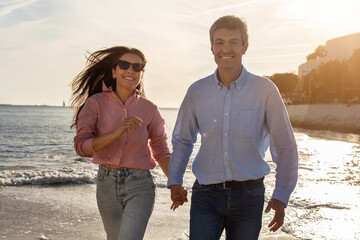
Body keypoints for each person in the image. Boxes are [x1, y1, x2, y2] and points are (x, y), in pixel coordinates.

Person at [168, 15, 298, 240]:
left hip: (249, 197)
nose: (225, 49)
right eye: (219, 42)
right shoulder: (196, 92)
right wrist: (175, 180)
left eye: (233, 42)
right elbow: (183, 140)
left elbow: (284, 146)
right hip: (206, 195)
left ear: (245, 47)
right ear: (211, 48)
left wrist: (282, 194)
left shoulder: (265, 90)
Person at [71, 46, 171, 240]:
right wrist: (116, 133)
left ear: (142, 73)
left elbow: (161, 149)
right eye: (124, 65)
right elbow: (81, 147)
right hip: (106, 184)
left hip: (140, 183)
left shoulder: (150, 109)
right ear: (114, 71)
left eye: (137, 67)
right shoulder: (95, 103)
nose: (130, 70)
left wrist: (174, 182)